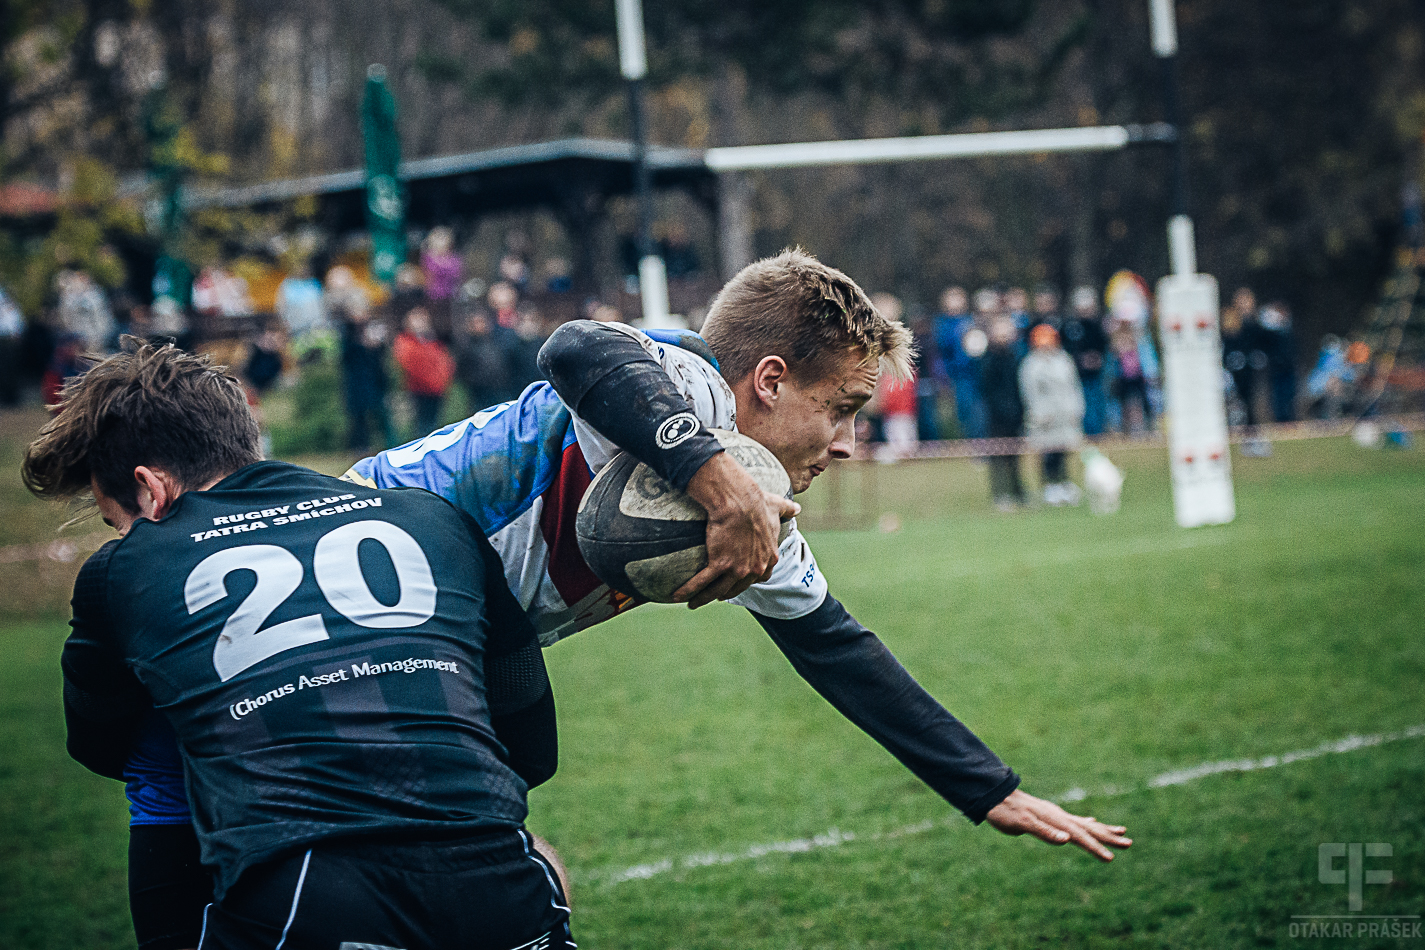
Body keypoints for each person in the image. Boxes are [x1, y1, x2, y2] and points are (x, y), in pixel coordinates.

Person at [113, 250, 1133, 943]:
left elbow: (837, 646)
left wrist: (985, 786)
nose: (849, 440)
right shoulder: (682, 385)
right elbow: (577, 348)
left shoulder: (759, 509)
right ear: (767, 380)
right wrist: (718, 475)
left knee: (523, 775)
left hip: (468, 628)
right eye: (844, 407)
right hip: (349, 587)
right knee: (227, 802)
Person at [22, 341, 573, 950]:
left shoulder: (120, 571)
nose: (120, 537)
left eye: (113, 520)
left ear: (151, 490)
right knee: (540, 858)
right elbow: (530, 745)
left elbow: (102, 747)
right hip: (504, 891)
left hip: (308, 902)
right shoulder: (433, 516)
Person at [1020, 323, 1085, 506]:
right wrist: (1037, 413)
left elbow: (1073, 387)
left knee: (1064, 450)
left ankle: (1065, 484)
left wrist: (1076, 409)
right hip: (1045, 417)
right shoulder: (1031, 365)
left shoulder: (1064, 360)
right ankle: (1050, 486)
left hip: (1064, 413)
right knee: (1047, 452)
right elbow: (1030, 392)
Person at [979, 317, 1026, 510]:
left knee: (1015, 456)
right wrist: (1001, 408)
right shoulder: (988, 358)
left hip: (1014, 413)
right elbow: (987, 388)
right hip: (996, 415)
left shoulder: (1014, 356)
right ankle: (1000, 493)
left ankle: (1018, 491)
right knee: (998, 455)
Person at [393, 305, 456, 437]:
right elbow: (411, 366)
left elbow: (444, 362)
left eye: (423, 319)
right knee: (422, 426)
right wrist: (432, 382)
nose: (420, 323)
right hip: (419, 389)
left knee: (434, 424)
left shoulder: (431, 341)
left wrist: (442, 381)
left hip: (436, 389)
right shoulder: (406, 342)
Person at [1063, 286, 1110, 437]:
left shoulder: (1099, 325)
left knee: (1098, 404)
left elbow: (1105, 347)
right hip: (1077, 375)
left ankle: (1099, 431)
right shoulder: (1071, 326)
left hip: (1096, 374)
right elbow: (1067, 349)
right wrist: (1080, 361)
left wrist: (1097, 359)